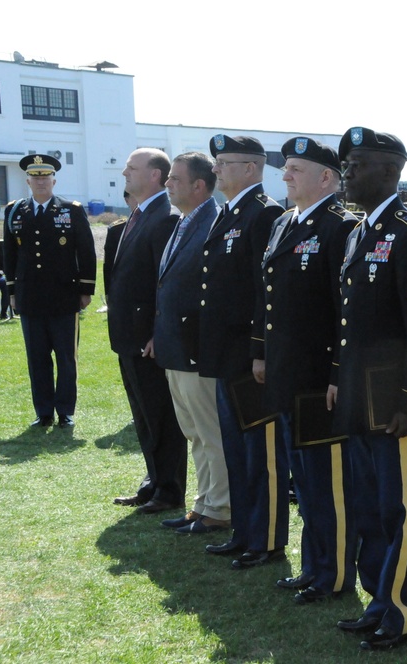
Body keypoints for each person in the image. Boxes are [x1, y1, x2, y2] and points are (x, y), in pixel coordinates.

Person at [330, 127, 407, 650]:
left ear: (391, 171)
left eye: (359, 164)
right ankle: (378, 600)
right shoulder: (358, 231)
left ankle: (402, 611)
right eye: (345, 164)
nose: (347, 171)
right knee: (370, 507)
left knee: (400, 511)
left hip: (395, 405)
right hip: (359, 399)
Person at [253, 136, 357, 598]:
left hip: (318, 378)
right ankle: (315, 565)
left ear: (327, 178)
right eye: (286, 167)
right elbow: (269, 298)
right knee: (306, 481)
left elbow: (344, 310)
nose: (285, 175)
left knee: (326, 482)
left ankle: (334, 573)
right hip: (288, 374)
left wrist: (337, 372)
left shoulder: (340, 226)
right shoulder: (283, 222)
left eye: (296, 168)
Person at [199, 135, 287, 561]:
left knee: (261, 453)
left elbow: (263, 292)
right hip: (225, 354)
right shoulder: (228, 213)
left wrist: (261, 350)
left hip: (248, 357)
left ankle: (267, 537)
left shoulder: (264, 213)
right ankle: (245, 531)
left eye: (225, 163)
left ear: (251, 169)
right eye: (216, 163)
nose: (216, 170)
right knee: (237, 450)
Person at [151, 152, 230, 535]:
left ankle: (221, 507)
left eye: (175, 179)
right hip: (176, 346)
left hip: (196, 348)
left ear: (199, 186)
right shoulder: (185, 221)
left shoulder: (213, 223)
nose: (167, 184)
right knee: (194, 433)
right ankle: (202, 504)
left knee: (210, 432)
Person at [108, 148, 188, 514]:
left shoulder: (165, 217)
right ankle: (153, 481)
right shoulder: (139, 214)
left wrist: (159, 332)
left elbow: (166, 283)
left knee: (160, 416)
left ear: (155, 175)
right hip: (129, 336)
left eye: (132, 167)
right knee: (142, 415)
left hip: (149, 340)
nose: (125, 172)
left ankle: (169, 490)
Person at [3, 154, 97, 427]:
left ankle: (65, 411)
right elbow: (10, 255)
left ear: (54, 180)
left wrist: (86, 289)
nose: (41, 182)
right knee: (37, 358)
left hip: (64, 296)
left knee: (67, 358)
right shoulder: (15, 211)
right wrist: (11, 291)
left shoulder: (71, 209)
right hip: (29, 296)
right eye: (36, 177)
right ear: (28, 181)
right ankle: (43, 412)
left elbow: (86, 251)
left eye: (46, 177)